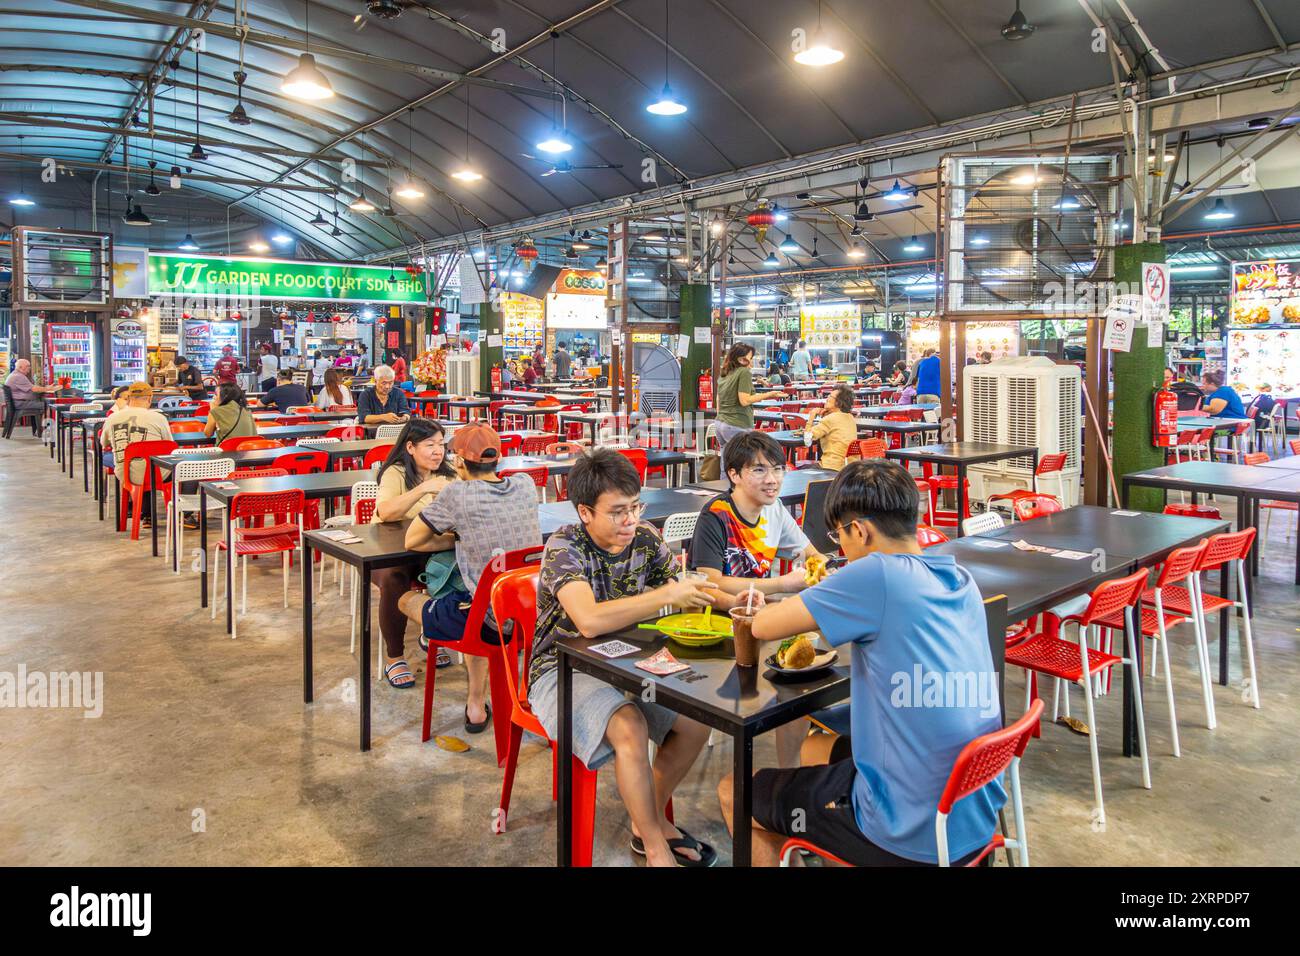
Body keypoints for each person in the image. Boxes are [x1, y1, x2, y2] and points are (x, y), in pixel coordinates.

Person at [717, 459, 1005, 866]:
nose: (840, 550)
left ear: (861, 531)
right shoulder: (959, 577)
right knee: (818, 748)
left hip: (909, 835)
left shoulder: (875, 574)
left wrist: (778, 595)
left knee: (735, 791)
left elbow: (763, 626)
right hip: (971, 817)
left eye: (840, 538)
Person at [529, 449, 721, 867]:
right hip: (560, 670)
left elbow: (686, 584)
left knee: (696, 721)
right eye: (617, 512)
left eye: (635, 507)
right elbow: (589, 622)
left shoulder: (644, 537)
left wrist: (748, 601)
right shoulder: (564, 547)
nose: (630, 521)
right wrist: (665, 594)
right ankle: (655, 848)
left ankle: (645, 818)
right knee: (629, 725)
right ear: (585, 512)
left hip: (627, 663)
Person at [690, 429, 827, 767]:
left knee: (804, 677)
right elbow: (709, 583)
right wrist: (781, 584)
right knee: (796, 676)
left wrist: (819, 569)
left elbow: (812, 555)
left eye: (778, 469)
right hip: (721, 627)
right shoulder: (716, 515)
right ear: (734, 475)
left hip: (763, 620)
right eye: (760, 470)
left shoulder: (775, 511)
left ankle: (791, 773)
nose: (773, 479)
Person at [398, 423, 541, 732]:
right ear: (499, 457)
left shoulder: (456, 494)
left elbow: (413, 541)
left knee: (407, 599)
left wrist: (460, 536)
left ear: (459, 462)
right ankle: (479, 702)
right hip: (529, 618)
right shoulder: (526, 485)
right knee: (473, 597)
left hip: (489, 626)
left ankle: (432, 636)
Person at [371, 418, 458, 687]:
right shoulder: (395, 473)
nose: (438, 451)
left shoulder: (449, 472)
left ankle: (432, 633)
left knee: (456, 568)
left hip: (430, 547)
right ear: (410, 447)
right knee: (394, 578)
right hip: (388, 551)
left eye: (441, 445)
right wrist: (423, 488)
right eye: (430, 444)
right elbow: (385, 512)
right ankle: (394, 656)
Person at [103, 381, 172, 522]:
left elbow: (104, 443)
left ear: (128, 397)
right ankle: (183, 514)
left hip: (125, 473)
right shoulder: (159, 418)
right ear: (149, 398)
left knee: (116, 459)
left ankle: (139, 510)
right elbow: (170, 446)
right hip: (157, 475)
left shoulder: (112, 418)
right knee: (152, 462)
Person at [715, 343, 785, 448]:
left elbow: (718, 399)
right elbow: (744, 400)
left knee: (726, 461)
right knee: (742, 463)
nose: (751, 361)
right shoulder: (744, 372)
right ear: (740, 359)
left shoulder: (725, 372)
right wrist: (769, 394)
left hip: (720, 424)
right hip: (737, 424)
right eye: (750, 358)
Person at [805, 384, 859, 471]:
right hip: (850, 467)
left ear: (838, 402)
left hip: (832, 467)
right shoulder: (850, 417)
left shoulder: (830, 418)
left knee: (800, 471)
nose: (827, 398)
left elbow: (807, 440)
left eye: (830, 396)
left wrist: (812, 415)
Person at [4, 357, 57, 424]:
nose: (29, 368)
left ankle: (41, 428)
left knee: (43, 402)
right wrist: (48, 388)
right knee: (48, 405)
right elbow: (34, 389)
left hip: (17, 403)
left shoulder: (15, 375)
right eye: (27, 366)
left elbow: (32, 387)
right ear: (20, 367)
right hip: (20, 403)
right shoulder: (18, 376)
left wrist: (45, 388)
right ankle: (45, 428)